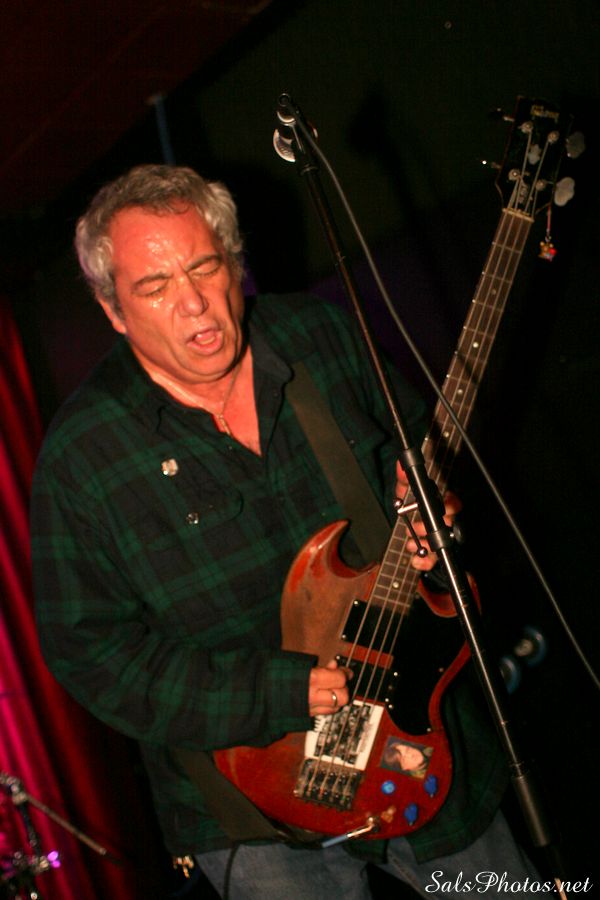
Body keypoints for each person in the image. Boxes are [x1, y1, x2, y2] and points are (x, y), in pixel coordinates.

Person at [31, 165, 536, 898]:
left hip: (414, 736)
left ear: (235, 264)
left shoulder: (317, 336)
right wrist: (279, 692)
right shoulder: (84, 454)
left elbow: (426, 463)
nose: (194, 303)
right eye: (155, 286)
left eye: (206, 268)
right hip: (251, 805)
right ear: (113, 309)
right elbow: (92, 654)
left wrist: (439, 523)